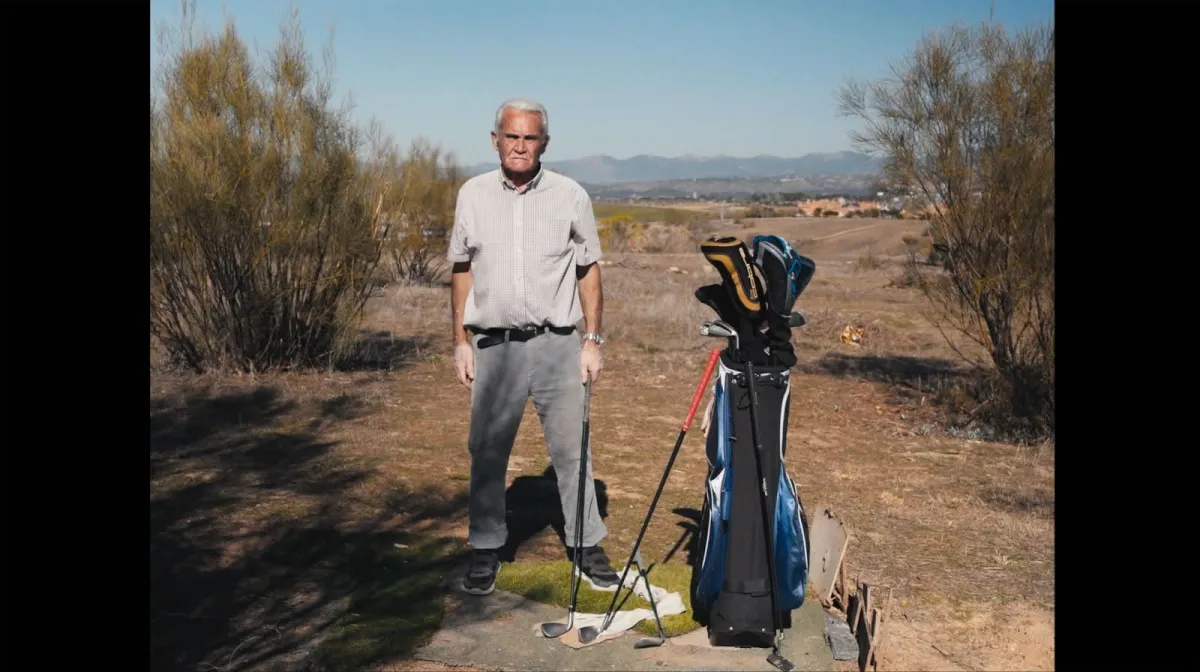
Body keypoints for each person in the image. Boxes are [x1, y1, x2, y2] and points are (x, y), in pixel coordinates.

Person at [446, 98, 620, 596]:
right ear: (495, 139)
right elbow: (462, 269)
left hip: (559, 344)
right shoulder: (472, 194)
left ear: (544, 142)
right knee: (487, 449)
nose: (520, 146)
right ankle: (485, 546)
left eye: (530, 138)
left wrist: (592, 339)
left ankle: (586, 544)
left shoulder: (570, 195)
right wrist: (459, 340)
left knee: (572, 449)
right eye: (511, 136)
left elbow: (588, 268)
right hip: (494, 346)